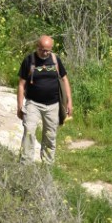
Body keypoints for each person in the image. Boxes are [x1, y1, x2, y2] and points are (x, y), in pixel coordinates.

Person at [17, 35, 72, 164]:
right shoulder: (29, 60)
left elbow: (64, 79)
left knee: (50, 136)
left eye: (48, 50)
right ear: (37, 47)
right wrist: (20, 106)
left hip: (53, 105)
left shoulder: (55, 60)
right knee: (29, 131)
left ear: (51, 49)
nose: (45, 53)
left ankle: (47, 166)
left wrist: (69, 101)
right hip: (33, 104)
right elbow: (21, 84)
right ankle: (25, 165)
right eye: (42, 50)